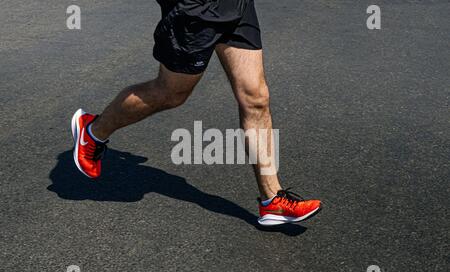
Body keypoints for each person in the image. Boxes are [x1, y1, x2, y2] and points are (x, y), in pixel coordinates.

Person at [70, 0, 321, 226]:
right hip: (196, 7)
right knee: (171, 92)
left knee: (256, 97)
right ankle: (93, 131)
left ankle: (272, 199)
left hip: (236, 4)